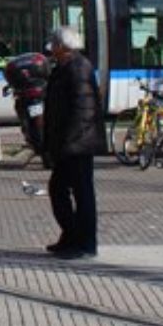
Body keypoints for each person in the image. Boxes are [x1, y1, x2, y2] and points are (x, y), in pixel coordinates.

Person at [42, 26, 104, 259]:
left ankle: (84, 242)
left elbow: (84, 110)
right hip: (69, 143)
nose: (51, 49)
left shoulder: (78, 68)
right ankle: (71, 236)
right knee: (61, 189)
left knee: (80, 192)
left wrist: (70, 142)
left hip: (77, 144)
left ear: (62, 47)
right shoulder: (65, 67)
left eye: (54, 45)